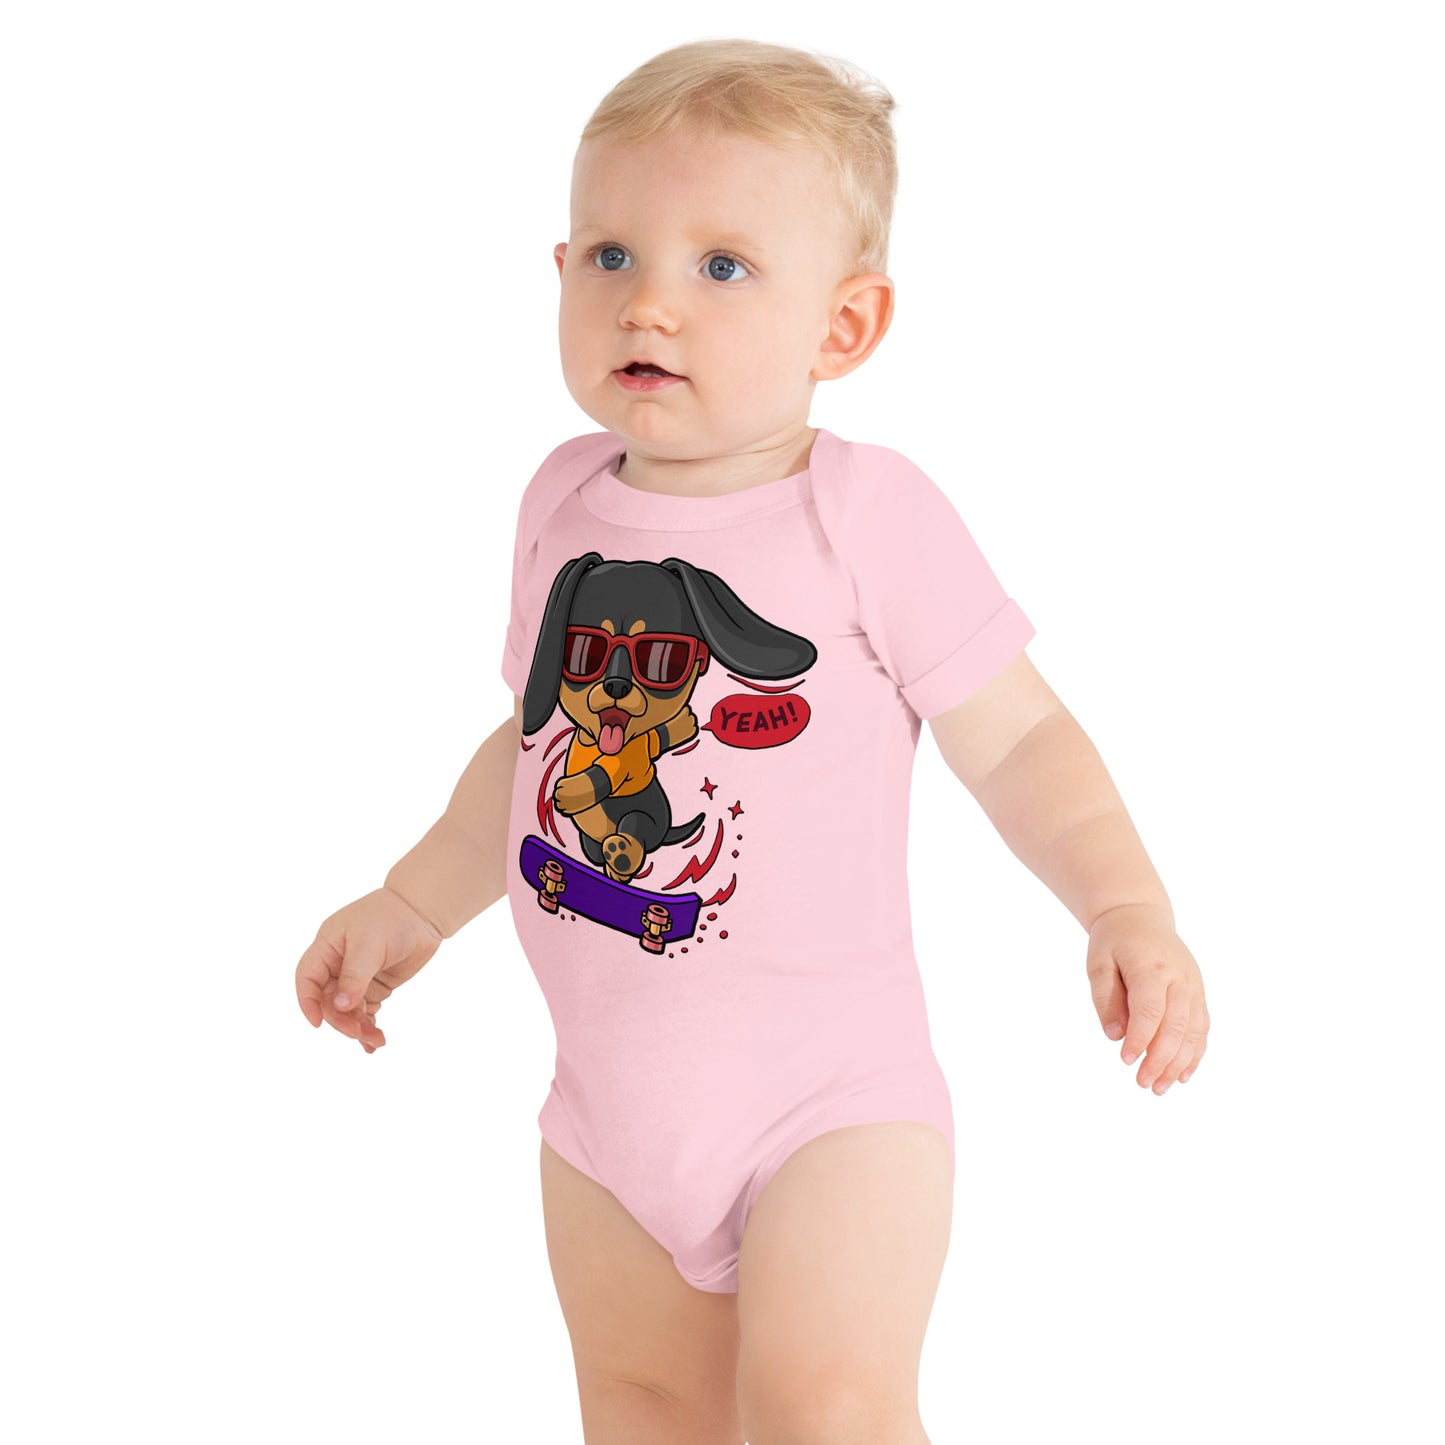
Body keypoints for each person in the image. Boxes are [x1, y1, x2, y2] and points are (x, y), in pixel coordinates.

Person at [294, 37, 1209, 1445]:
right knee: (644, 1411)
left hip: (829, 1107)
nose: (650, 299)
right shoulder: (559, 505)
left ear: (843, 328)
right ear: (558, 273)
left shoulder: (865, 514)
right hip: (606, 1119)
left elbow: (1020, 735)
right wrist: (414, 898)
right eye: (612, 255)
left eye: (721, 265)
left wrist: (1124, 904)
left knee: (826, 1412)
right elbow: (532, 745)